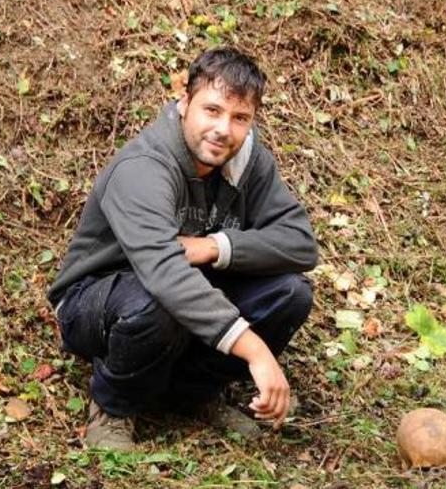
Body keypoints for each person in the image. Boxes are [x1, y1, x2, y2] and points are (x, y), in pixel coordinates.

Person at [47, 47, 318, 450]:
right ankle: (113, 406)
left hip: (182, 294)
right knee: (159, 300)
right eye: (212, 110)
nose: (224, 129)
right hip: (97, 300)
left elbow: (300, 243)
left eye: (240, 118)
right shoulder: (144, 167)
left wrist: (214, 246)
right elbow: (165, 274)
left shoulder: (248, 162)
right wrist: (255, 350)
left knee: (291, 294)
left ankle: (188, 395)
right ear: (184, 103)